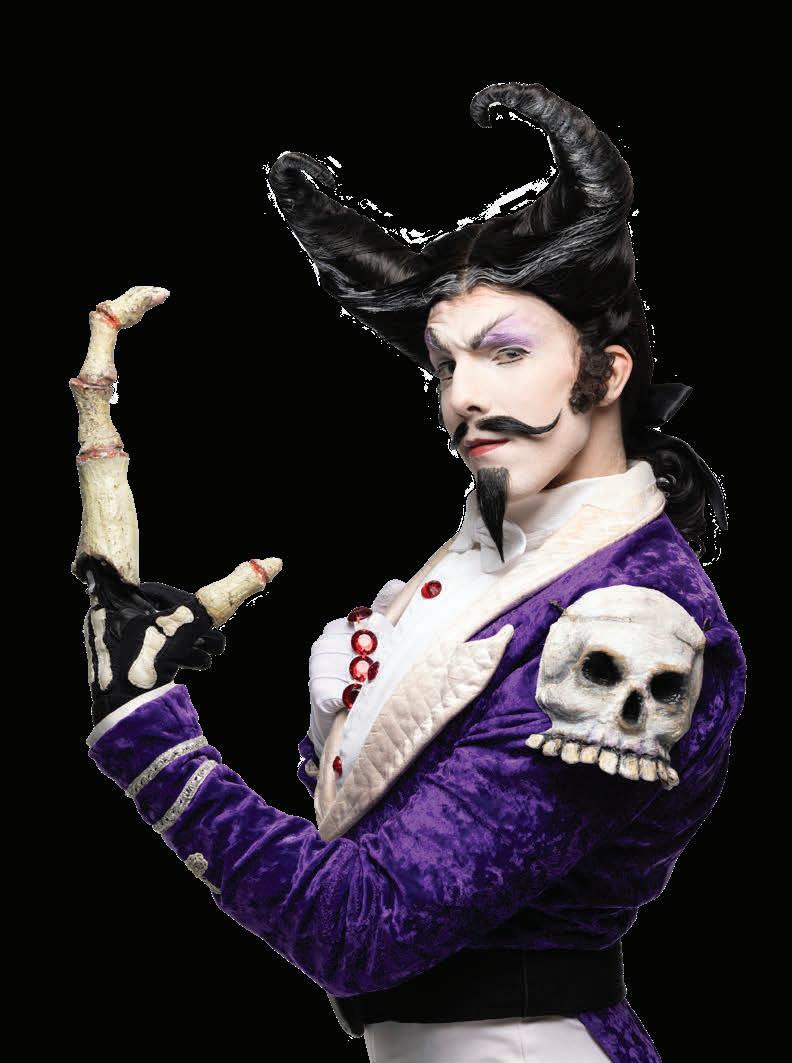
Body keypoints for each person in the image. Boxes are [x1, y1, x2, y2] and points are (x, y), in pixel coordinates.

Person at [80, 82, 746, 1063]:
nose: (463, 396)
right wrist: (326, 715)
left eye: (505, 352)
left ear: (605, 374)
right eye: (445, 366)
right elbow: (384, 833)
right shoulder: (500, 565)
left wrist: (150, 735)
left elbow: (364, 923)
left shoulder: (630, 620)